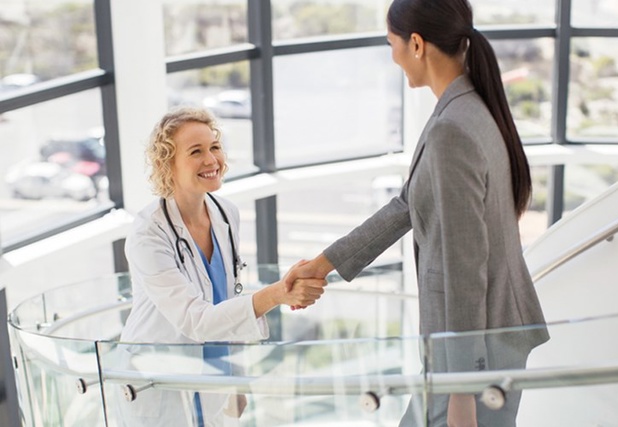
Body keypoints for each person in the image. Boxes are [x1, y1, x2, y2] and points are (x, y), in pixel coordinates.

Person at [285, 0, 549, 426]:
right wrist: (324, 264)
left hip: (473, 353)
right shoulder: (467, 106)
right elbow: (408, 203)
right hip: (484, 337)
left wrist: (459, 389)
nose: (392, 57)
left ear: (417, 44)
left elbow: (465, 264)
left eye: (392, 45)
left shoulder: (452, 128)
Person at [118, 107, 326, 426]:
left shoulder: (225, 214)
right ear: (166, 163)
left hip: (212, 380)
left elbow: (226, 300)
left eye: (214, 147)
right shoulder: (149, 233)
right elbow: (195, 319)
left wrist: (236, 379)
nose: (212, 160)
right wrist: (276, 295)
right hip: (158, 382)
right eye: (196, 151)